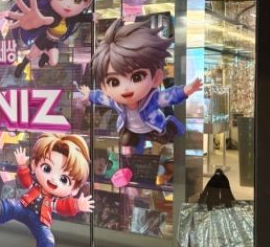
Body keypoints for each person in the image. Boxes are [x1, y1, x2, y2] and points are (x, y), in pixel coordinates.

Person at [79, 20, 202, 156]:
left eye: (137, 77)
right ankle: (133, 155)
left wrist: (186, 90)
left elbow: (169, 96)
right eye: (114, 82)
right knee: (127, 141)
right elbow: (101, 97)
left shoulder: (152, 100)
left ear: (156, 78)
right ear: (105, 86)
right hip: (131, 129)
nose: (126, 88)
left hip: (153, 126)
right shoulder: (115, 101)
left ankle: (171, 124)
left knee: (163, 137)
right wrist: (89, 94)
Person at [0, 134, 93, 247]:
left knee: (47, 238)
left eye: (64, 179)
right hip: (23, 207)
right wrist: (22, 165)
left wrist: (77, 205)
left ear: (74, 189)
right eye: (47, 168)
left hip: (41, 220)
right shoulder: (34, 186)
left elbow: (63, 206)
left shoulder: (53, 201)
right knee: (11, 205)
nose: (54, 179)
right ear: (35, 165)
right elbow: (26, 181)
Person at [7, 0, 98, 78]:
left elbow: (80, 17)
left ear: (89, 0)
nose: (68, 5)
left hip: (54, 42)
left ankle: (45, 56)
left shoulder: (69, 19)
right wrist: (35, 22)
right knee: (30, 55)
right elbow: (45, 19)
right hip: (44, 39)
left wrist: (91, 17)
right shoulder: (53, 18)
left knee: (54, 62)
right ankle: (22, 66)